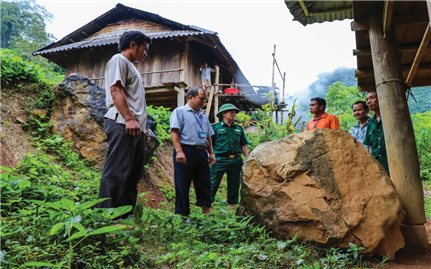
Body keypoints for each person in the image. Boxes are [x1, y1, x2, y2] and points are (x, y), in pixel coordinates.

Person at [98, 31, 152, 212]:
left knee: (132, 174)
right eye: (144, 48)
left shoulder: (131, 66)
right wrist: (129, 118)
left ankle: (125, 215)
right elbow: (115, 90)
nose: (146, 53)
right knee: (117, 171)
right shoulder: (118, 60)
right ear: (133, 45)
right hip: (123, 123)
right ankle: (108, 215)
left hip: (136, 128)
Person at [170, 87, 216, 216]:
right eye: (201, 98)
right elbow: (174, 133)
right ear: (190, 97)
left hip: (201, 153)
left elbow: (208, 136)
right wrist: (179, 151)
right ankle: (183, 215)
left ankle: (207, 212)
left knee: (204, 183)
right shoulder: (179, 112)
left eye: (205, 99)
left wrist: (211, 153)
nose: (203, 102)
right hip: (185, 151)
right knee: (182, 184)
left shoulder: (203, 115)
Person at [210, 103, 249, 209]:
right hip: (219, 159)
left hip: (236, 159)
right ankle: (207, 204)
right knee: (213, 182)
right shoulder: (215, 128)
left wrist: (248, 158)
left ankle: (231, 205)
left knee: (234, 183)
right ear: (223, 114)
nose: (233, 114)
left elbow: (243, 144)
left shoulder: (239, 129)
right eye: (231, 112)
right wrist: (210, 156)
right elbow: (209, 144)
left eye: (234, 112)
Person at [363, 91, 389, 173]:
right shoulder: (370, 123)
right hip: (377, 166)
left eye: (372, 98)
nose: (368, 101)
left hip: (391, 163)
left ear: (380, 98)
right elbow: (370, 146)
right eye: (367, 99)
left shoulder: (390, 118)